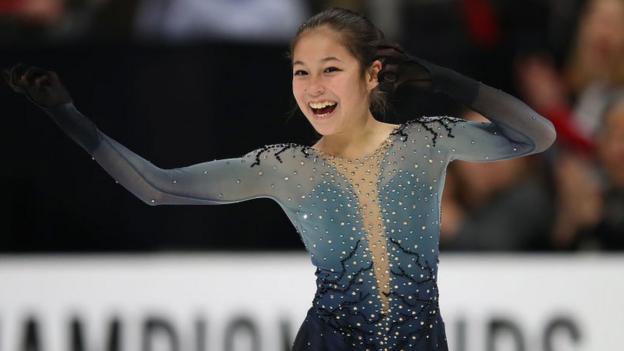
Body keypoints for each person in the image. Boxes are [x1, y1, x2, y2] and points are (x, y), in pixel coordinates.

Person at [2, 7, 556, 351]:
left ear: (372, 74)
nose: (314, 87)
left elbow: (536, 136)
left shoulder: (424, 143)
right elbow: (156, 185)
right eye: (300, 72)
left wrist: (447, 80)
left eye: (331, 69)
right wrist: (67, 115)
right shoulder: (288, 167)